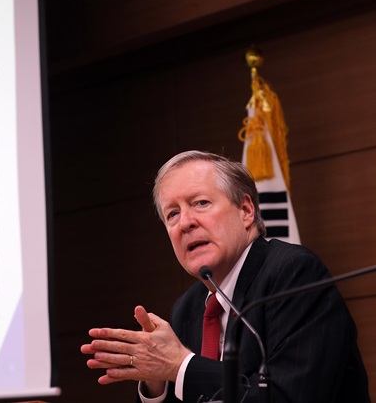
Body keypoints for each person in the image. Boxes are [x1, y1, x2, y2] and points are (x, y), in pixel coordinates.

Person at [80, 150, 370, 402]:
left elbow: (288, 397)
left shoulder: (293, 275)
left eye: (201, 203)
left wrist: (180, 366)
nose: (185, 223)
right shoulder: (188, 307)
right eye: (172, 214)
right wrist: (157, 382)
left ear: (245, 210)